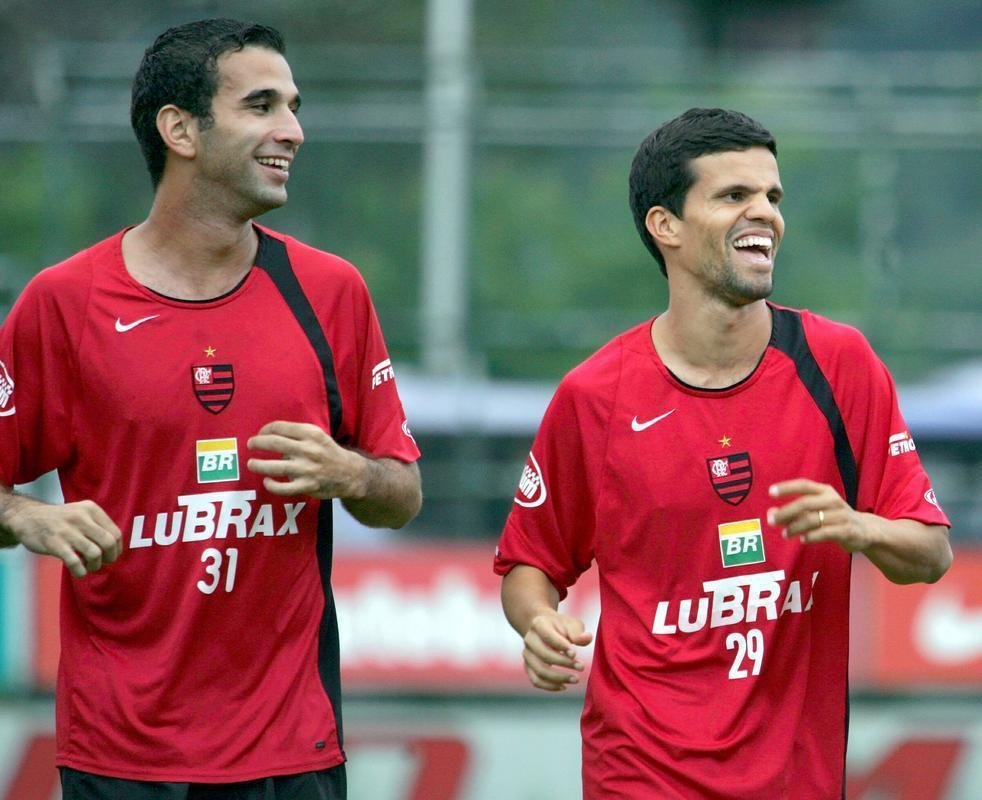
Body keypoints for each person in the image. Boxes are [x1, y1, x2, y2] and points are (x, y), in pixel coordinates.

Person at [0, 18, 421, 800]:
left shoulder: (330, 293)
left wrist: (349, 473)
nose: (291, 131)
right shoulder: (65, 304)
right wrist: (31, 518)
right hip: (119, 755)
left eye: (294, 106)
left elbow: (401, 494)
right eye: (261, 106)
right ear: (180, 130)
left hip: (292, 748)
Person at [494, 107, 952, 799]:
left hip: (796, 778)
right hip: (638, 774)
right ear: (666, 226)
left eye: (772, 196)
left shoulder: (840, 366)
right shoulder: (594, 396)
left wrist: (861, 527)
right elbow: (530, 564)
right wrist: (540, 624)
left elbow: (931, 554)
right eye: (734, 196)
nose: (764, 214)